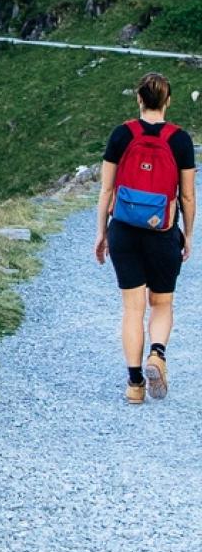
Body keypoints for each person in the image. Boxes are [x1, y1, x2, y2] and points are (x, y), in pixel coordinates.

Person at [94, 72, 196, 402]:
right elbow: (187, 197)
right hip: (163, 232)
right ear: (168, 101)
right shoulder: (180, 140)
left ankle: (134, 384)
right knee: (162, 303)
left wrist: (101, 233)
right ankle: (157, 354)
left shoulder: (121, 135)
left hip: (123, 230)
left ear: (139, 99)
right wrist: (189, 234)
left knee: (132, 308)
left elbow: (107, 189)